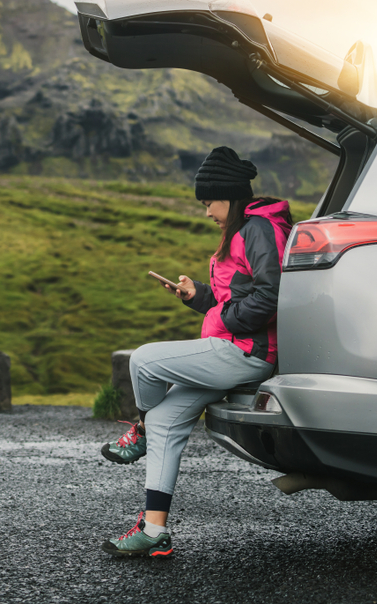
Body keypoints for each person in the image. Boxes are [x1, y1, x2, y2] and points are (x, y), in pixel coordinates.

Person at [99, 146, 293, 557]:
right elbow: (233, 297)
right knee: (169, 419)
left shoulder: (259, 229)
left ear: (230, 196)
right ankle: (154, 532)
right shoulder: (243, 232)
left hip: (247, 351)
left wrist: (226, 318)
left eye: (209, 203)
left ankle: (142, 428)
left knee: (144, 359)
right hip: (231, 345)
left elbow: (271, 295)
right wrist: (197, 295)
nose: (207, 213)